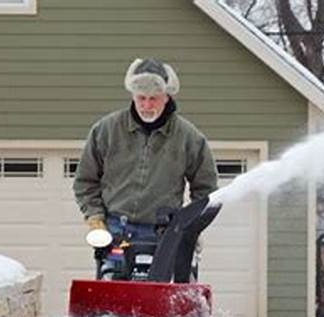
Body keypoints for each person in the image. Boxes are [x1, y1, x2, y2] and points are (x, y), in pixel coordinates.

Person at [73, 57, 219, 278]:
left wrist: (189, 228)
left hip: (165, 234)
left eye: (154, 99)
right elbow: (85, 182)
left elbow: (206, 191)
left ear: (167, 96)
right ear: (133, 95)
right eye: (141, 98)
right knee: (111, 289)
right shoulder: (107, 131)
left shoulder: (189, 138)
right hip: (117, 232)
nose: (147, 106)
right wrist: (95, 219)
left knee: (172, 291)